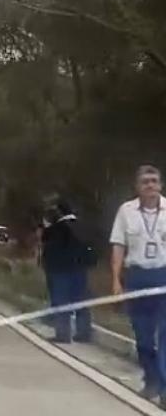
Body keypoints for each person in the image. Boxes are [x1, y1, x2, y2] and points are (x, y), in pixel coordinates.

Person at [111, 164, 166, 404]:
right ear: (137, 187)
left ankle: (164, 387)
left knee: (165, 334)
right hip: (137, 276)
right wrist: (116, 280)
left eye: (154, 181)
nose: (151, 185)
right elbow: (118, 245)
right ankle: (151, 379)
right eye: (145, 182)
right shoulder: (126, 211)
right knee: (143, 336)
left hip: (163, 276)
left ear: (161, 185)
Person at [39, 196, 94, 343]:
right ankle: (84, 333)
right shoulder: (82, 226)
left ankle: (63, 334)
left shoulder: (56, 229)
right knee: (81, 301)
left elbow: (48, 247)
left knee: (61, 301)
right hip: (80, 270)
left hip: (60, 271)